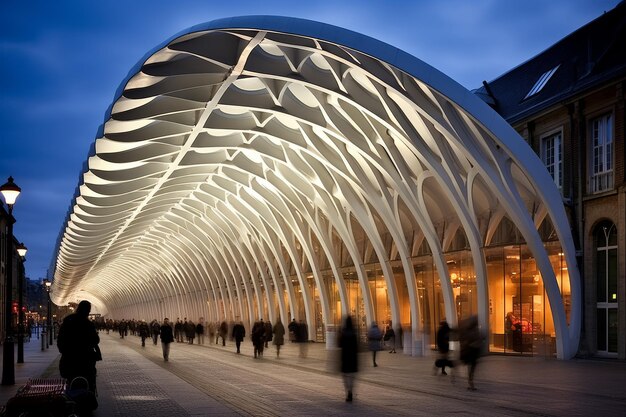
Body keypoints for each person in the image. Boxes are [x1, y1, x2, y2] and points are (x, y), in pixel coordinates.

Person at [57, 300, 101, 396]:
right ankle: (89, 397)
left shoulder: (68, 321)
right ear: (87, 311)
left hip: (69, 359)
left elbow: (60, 339)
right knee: (88, 379)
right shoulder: (88, 324)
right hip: (85, 360)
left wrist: (64, 351)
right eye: (88, 311)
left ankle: (71, 398)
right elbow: (96, 340)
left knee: (71, 379)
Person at [459, 315, 482, 390]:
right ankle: (470, 381)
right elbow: (473, 339)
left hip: (471, 351)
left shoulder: (469, 329)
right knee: (472, 366)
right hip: (472, 351)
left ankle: (470, 380)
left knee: (471, 366)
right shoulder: (473, 330)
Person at [338, 315, 358, 402]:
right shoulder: (354, 333)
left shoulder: (343, 333)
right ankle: (351, 390)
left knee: (345, 376)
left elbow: (340, 345)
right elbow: (357, 347)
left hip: (345, 357)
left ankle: (348, 391)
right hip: (353, 358)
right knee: (352, 376)